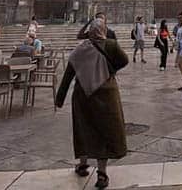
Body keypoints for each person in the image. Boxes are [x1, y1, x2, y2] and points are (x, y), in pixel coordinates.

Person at [55, 17, 128, 188]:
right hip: (106, 94)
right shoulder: (111, 45)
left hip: (83, 96)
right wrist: (108, 71)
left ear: (90, 31)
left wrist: (59, 99)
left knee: (83, 128)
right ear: (104, 30)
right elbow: (124, 61)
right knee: (105, 131)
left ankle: (82, 164)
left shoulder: (80, 50)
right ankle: (102, 174)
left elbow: (67, 76)